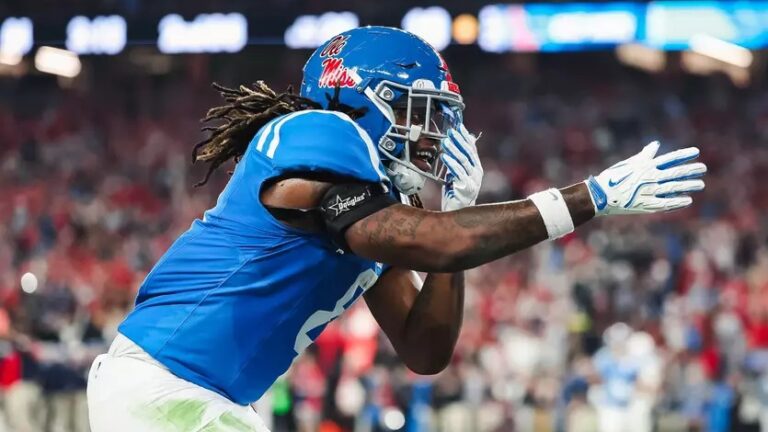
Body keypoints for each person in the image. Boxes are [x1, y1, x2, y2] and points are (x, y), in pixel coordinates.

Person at [86, 26, 707, 431]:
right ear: (361, 99)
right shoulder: (315, 134)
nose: (430, 135)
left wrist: (446, 209)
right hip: (166, 387)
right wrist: (590, 196)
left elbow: (425, 348)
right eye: (419, 112)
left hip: (197, 398)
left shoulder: (364, 215)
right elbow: (440, 243)